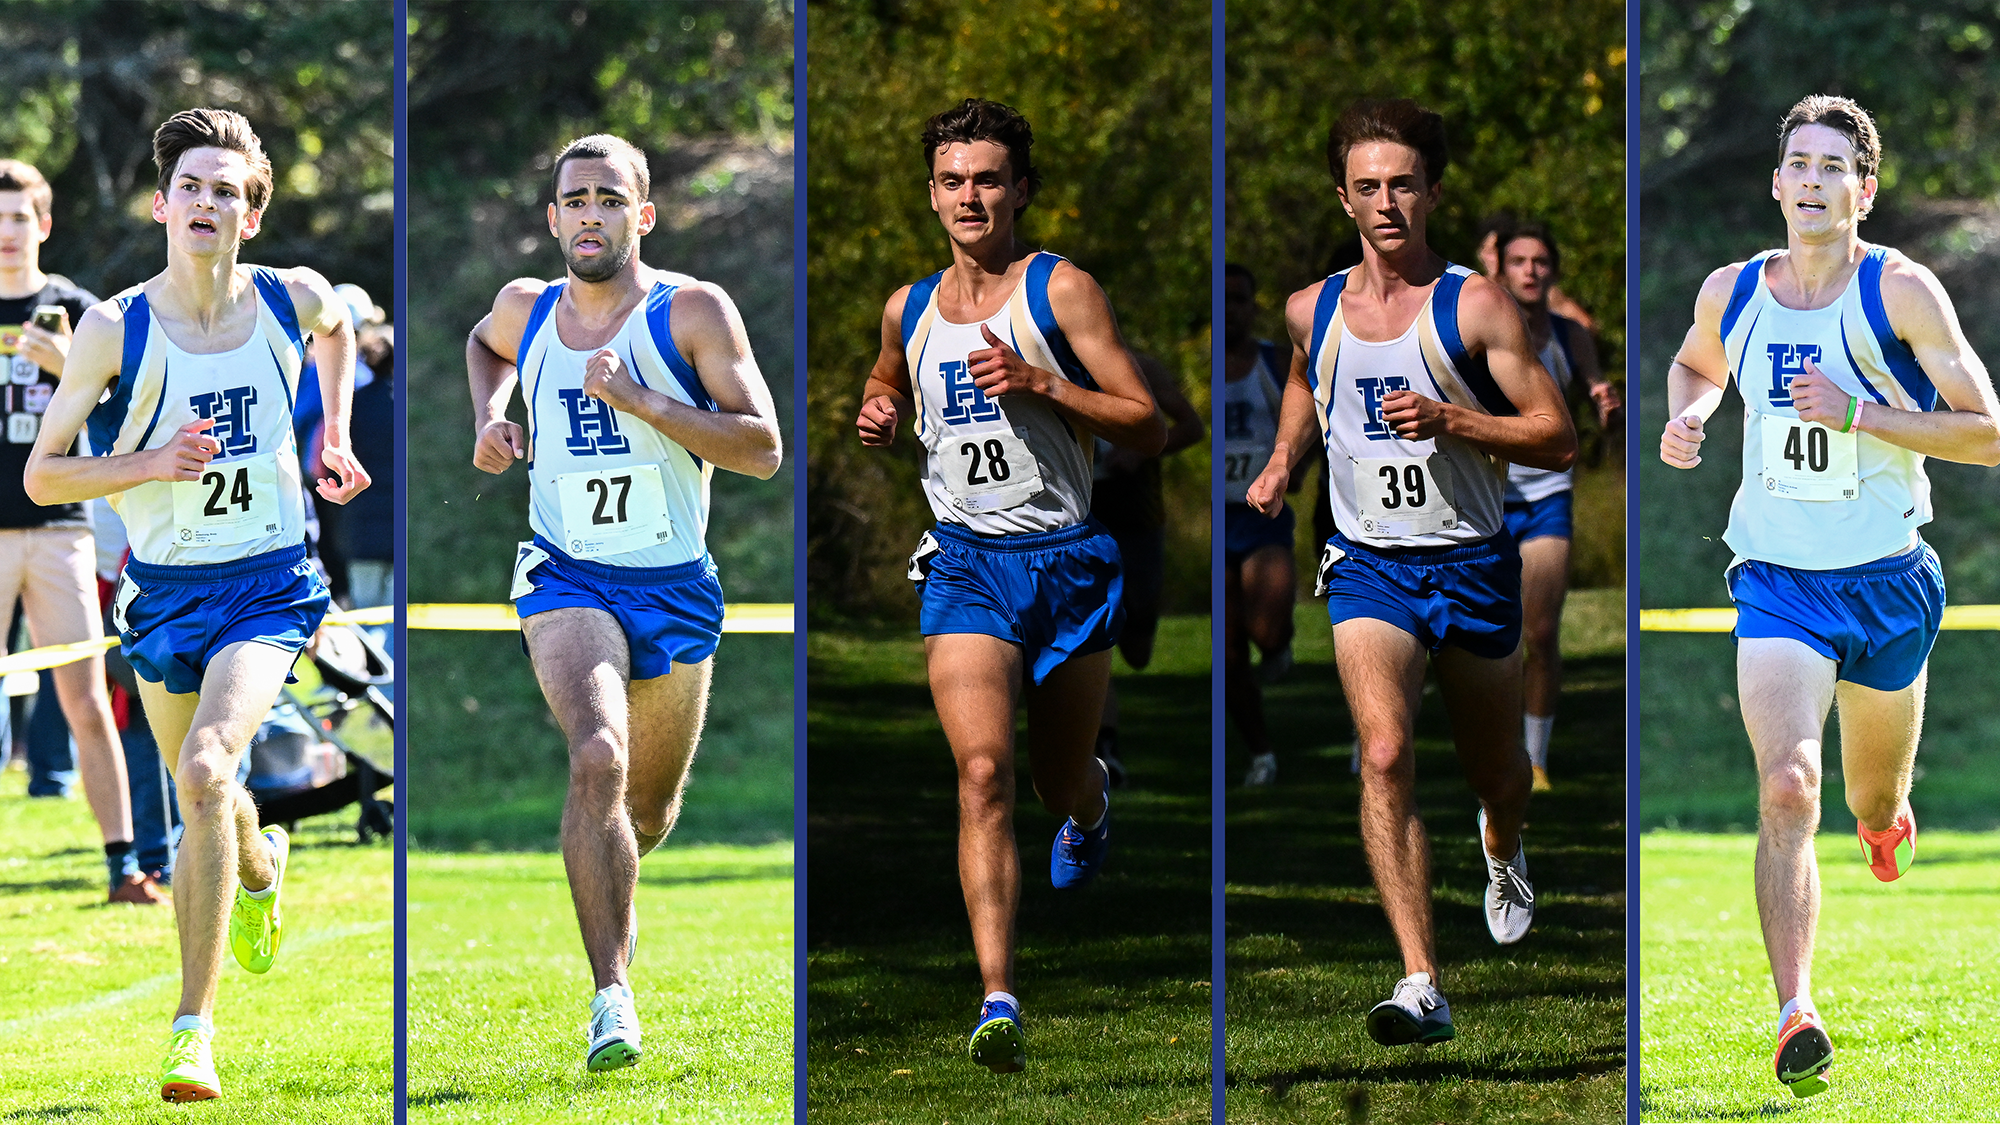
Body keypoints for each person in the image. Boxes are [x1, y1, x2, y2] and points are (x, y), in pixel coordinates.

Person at [24, 108, 370, 1102]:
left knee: (209, 764)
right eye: (193, 187)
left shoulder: (288, 298)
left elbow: (340, 327)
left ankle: (192, 1031)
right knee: (204, 784)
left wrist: (332, 435)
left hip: (269, 580)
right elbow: (48, 478)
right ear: (162, 204)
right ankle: (259, 868)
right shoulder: (113, 326)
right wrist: (151, 463)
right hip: (164, 594)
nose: (207, 201)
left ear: (249, 214)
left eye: (228, 189)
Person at [1657, 95, 1999, 1098]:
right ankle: (1793, 1009)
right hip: (1776, 582)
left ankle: (1886, 827)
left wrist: (1858, 412)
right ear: (1774, 184)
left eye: (1830, 166)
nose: (1810, 180)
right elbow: (1691, 364)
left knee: (1866, 796)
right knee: (1786, 786)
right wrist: (1690, 414)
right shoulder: (1732, 292)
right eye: (1795, 163)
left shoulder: (1900, 294)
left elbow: (1984, 430)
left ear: (1863, 187)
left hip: (1889, 583)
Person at [1244, 98, 1576, 1046]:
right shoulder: (1311, 307)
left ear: (1432, 191)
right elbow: (1310, 385)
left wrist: (1454, 421)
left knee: (1498, 775)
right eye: (1367, 187)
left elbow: (1554, 431)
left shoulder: (1475, 304)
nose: (1386, 202)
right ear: (1343, 199)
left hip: (1471, 563)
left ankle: (1503, 846)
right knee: (1384, 752)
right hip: (1368, 565)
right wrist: (1280, 464)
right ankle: (1421, 979)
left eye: (1402, 184)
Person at [853, 98, 1164, 1074]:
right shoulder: (908, 307)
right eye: (952, 181)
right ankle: (998, 997)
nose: (969, 197)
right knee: (981, 775)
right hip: (963, 563)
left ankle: (1092, 807)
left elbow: (1148, 424)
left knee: (1052, 780)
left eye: (987, 179)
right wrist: (875, 408)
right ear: (932, 194)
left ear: (1020, 190)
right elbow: (886, 378)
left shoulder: (1060, 291)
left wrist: (1043, 385)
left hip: (1065, 561)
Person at [465, 133, 781, 1074]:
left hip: (673, 582)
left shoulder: (690, 313)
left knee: (644, 813)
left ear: (641, 215)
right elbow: (482, 347)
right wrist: (491, 413)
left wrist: (644, 401)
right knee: (597, 755)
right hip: (566, 570)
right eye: (574, 200)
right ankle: (613, 999)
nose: (590, 214)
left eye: (610, 198)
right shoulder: (526, 308)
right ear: (554, 218)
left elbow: (761, 445)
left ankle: (617, 899)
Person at [0, 158, 155, 903]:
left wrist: (66, 365)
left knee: (87, 698)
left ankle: (123, 866)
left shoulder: (75, 308)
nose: (8, 233)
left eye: (21, 217)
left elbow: (132, 403)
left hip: (62, 529)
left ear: (45, 225)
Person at [1492, 221, 1620, 790]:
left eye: (1540, 261)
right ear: (1501, 270)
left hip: (1546, 496)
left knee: (1540, 632)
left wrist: (1603, 400)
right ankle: (1490, 747)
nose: (1529, 271)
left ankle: (1536, 759)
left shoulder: (1571, 336)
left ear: (1553, 271)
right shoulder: (1480, 329)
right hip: (1484, 498)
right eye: (1518, 261)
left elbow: (1595, 386)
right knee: (1483, 636)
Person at [1089, 348, 1202, 786]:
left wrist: (1140, 451)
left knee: (1136, 651)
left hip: (1138, 518)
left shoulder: (1142, 366)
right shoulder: (1049, 365)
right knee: (1091, 636)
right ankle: (1105, 748)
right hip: (1082, 516)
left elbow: (1191, 427)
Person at [1222, 263, 1303, 787]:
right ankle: (1261, 754)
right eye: (1221, 299)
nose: (1231, 309)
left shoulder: (1274, 362)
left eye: (1240, 299)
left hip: (1263, 515)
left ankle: (1278, 644)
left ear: (1253, 306)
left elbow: (1316, 416)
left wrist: (1292, 469)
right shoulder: (1198, 366)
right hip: (1218, 518)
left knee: (1264, 627)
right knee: (1228, 652)